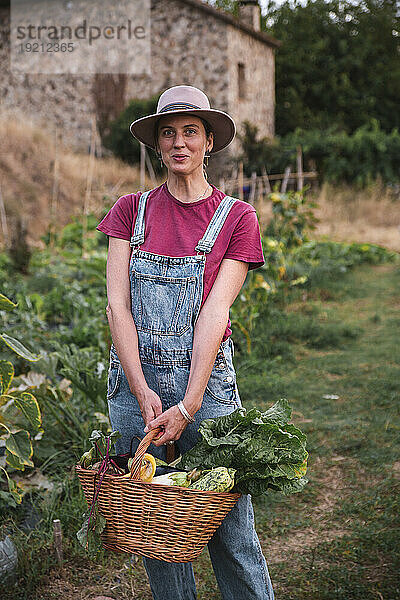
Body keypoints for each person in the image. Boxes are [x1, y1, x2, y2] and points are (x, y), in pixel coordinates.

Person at [96, 85, 274, 600]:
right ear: (156, 144)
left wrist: (190, 402)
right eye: (167, 133)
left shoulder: (236, 219)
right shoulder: (130, 211)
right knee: (159, 535)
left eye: (190, 131)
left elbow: (215, 315)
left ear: (210, 141)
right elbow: (119, 309)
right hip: (137, 389)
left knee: (230, 528)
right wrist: (141, 390)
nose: (178, 142)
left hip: (207, 390)